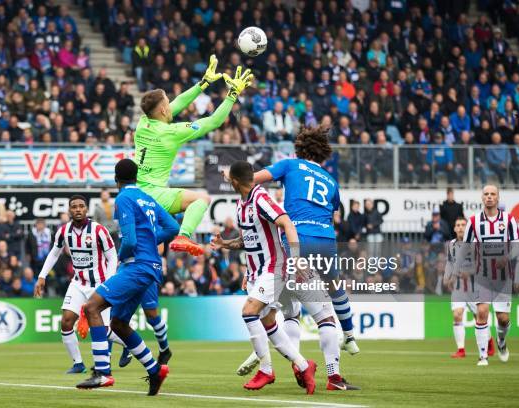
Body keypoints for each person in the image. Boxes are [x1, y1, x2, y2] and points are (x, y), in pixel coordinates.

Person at [212, 161, 318, 393]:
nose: (228, 181)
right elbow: (247, 242)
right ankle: (303, 365)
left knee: (249, 312)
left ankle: (266, 370)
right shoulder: (241, 205)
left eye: (230, 178)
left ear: (235, 182)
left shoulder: (260, 198)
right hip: (256, 272)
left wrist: (297, 258)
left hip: (274, 267)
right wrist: (225, 244)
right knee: (267, 322)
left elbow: (286, 223)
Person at [75, 159, 178, 395]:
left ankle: (102, 372)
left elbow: (130, 241)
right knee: (118, 324)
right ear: (136, 177)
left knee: (91, 307)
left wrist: (121, 256)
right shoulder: (146, 198)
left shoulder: (122, 198)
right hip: (151, 267)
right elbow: (172, 226)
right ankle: (155, 370)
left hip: (136, 266)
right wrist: (151, 241)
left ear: (116, 179)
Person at [252, 126, 358, 354]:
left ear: (299, 148)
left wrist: (234, 176)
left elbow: (254, 179)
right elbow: (334, 213)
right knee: (335, 287)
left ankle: (261, 352)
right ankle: (349, 335)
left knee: (284, 300)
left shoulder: (290, 165)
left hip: (298, 237)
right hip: (327, 239)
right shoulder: (331, 180)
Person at [134, 56, 253, 257]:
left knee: (154, 248)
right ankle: (184, 236)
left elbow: (178, 102)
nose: (171, 105)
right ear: (163, 109)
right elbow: (214, 121)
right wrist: (232, 94)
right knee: (202, 199)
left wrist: (203, 83)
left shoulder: (142, 123)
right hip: (154, 195)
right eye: (167, 103)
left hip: (136, 193)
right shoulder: (172, 133)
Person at [34, 195, 118, 374]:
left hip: (99, 284)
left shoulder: (99, 230)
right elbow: (54, 254)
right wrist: (42, 276)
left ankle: (129, 346)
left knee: (104, 329)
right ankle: (78, 363)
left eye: (81, 206)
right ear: (69, 210)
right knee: (66, 321)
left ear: (86, 209)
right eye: (74, 207)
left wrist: (110, 281)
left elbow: (112, 256)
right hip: (78, 283)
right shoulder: (63, 231)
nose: (78, 209)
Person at [458, 185, 519, 366]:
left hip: (503, 277)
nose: (489, 197)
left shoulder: (508, 220)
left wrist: (507, 257)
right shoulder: (474, 221)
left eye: (493, 194)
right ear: (482, 198)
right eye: (486, 194)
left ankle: (501, 341)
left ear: (498, 198)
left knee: (503, 318)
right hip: (482, 275)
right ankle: (483, 356)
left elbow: (517, 246)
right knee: (482, 312)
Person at [443, 216, 493, 358]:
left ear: (468, 227)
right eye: (457, 225)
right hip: (458, 288)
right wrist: (447, 276)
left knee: (479, 317)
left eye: (463, 225)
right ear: (454, 228)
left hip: (475, 286)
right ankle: (461, 350)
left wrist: (469, 272)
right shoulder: (451, 244)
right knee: (457, 314)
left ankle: (489, 341)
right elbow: (449, 262)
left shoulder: (475, 244)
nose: (460, 227)